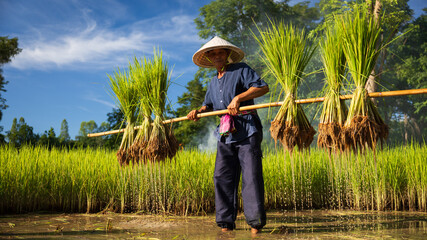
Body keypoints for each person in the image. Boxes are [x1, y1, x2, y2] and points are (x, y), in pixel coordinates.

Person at [187, 36, 269, 235]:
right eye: (212, 54)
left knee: (250, 176)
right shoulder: (213, 82)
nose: (217, 56)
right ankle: (225, 223)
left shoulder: (241, 69)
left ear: (228, 54)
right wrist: (198, 111)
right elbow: (209, 106)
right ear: (208, 58)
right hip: (225, 133)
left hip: (247, 130)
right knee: (221, 176)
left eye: (220, 52)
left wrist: (238, 98)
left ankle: (255, 224)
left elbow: (262, 87)